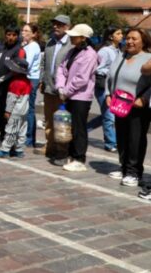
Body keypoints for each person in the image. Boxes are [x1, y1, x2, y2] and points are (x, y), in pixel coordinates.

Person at [106, 28, 151, 187]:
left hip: (137, 106)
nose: (130, 41)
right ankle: (124, 167)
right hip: (119, 104)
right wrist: (108, 94)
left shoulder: (148, 58)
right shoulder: (121, 55)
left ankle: (134, 172)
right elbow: (110, 76)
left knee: (135, 139)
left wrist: (144, 99)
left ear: (143, 41)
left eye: (134, 39)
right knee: (122, 137)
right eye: (128, 38)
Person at [55, 23, 98, 172]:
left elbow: (81, 78)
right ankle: (70, 154)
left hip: (81, 97)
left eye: (74, 35)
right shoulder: (72, 51)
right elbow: (61, 68)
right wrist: (60, 86)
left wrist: (65, 91)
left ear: (83, 38)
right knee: (70, 127)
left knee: (79, 128)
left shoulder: (90, 54)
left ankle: (79, 158)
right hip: (68, 94)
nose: (71, 37)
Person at [38, 14, 73, 165]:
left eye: (59, 24)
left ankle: (62, 150)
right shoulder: (50, 42)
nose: (55, 27)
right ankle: (50, 146)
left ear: (67, 27)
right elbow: (44, 62)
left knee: (62, 122)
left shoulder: (71, 44)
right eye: (54, 24)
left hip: (63, 91)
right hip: (48, 88)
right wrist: (42, 80)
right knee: (48, 120)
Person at [0, 26, 25, 142]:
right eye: (9, 34)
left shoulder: (18, 50)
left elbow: (16, 70)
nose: (11, 37)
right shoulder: (1, 48)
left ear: (17, 36)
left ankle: (9, 139)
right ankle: (2, 134)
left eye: (14, 35)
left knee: (8, 113)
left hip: (9, 87)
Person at [89, 27, 122, 152]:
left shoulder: (118, 51)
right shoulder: (105, 51)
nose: (121, 36)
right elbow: (96, 68)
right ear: (110, 36)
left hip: (115, 87)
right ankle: (110, 143)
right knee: (109, 114)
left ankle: (84, 129)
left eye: (121, 33)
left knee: (107, 114)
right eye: (118, 33)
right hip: (103, 85)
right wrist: (111, 72)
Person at [0, 57, 31, 158]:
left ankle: (5, 149)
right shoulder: (27, 81)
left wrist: (8, 111)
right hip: (24, 110)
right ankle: (19, 150)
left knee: (11, 130)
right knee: (22, 131)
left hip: (16, 111)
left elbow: (11, 99)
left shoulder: (15, 83)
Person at [21, 23, 42, 147]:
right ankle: (26, 135)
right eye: (23, 30)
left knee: (29, 109)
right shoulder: (27, 46)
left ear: (34, 34)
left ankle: (29, 138)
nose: (23, 33)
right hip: (26, 78)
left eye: (27, 31)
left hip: (30, 79)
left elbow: (25, 63)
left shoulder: (34, 46)